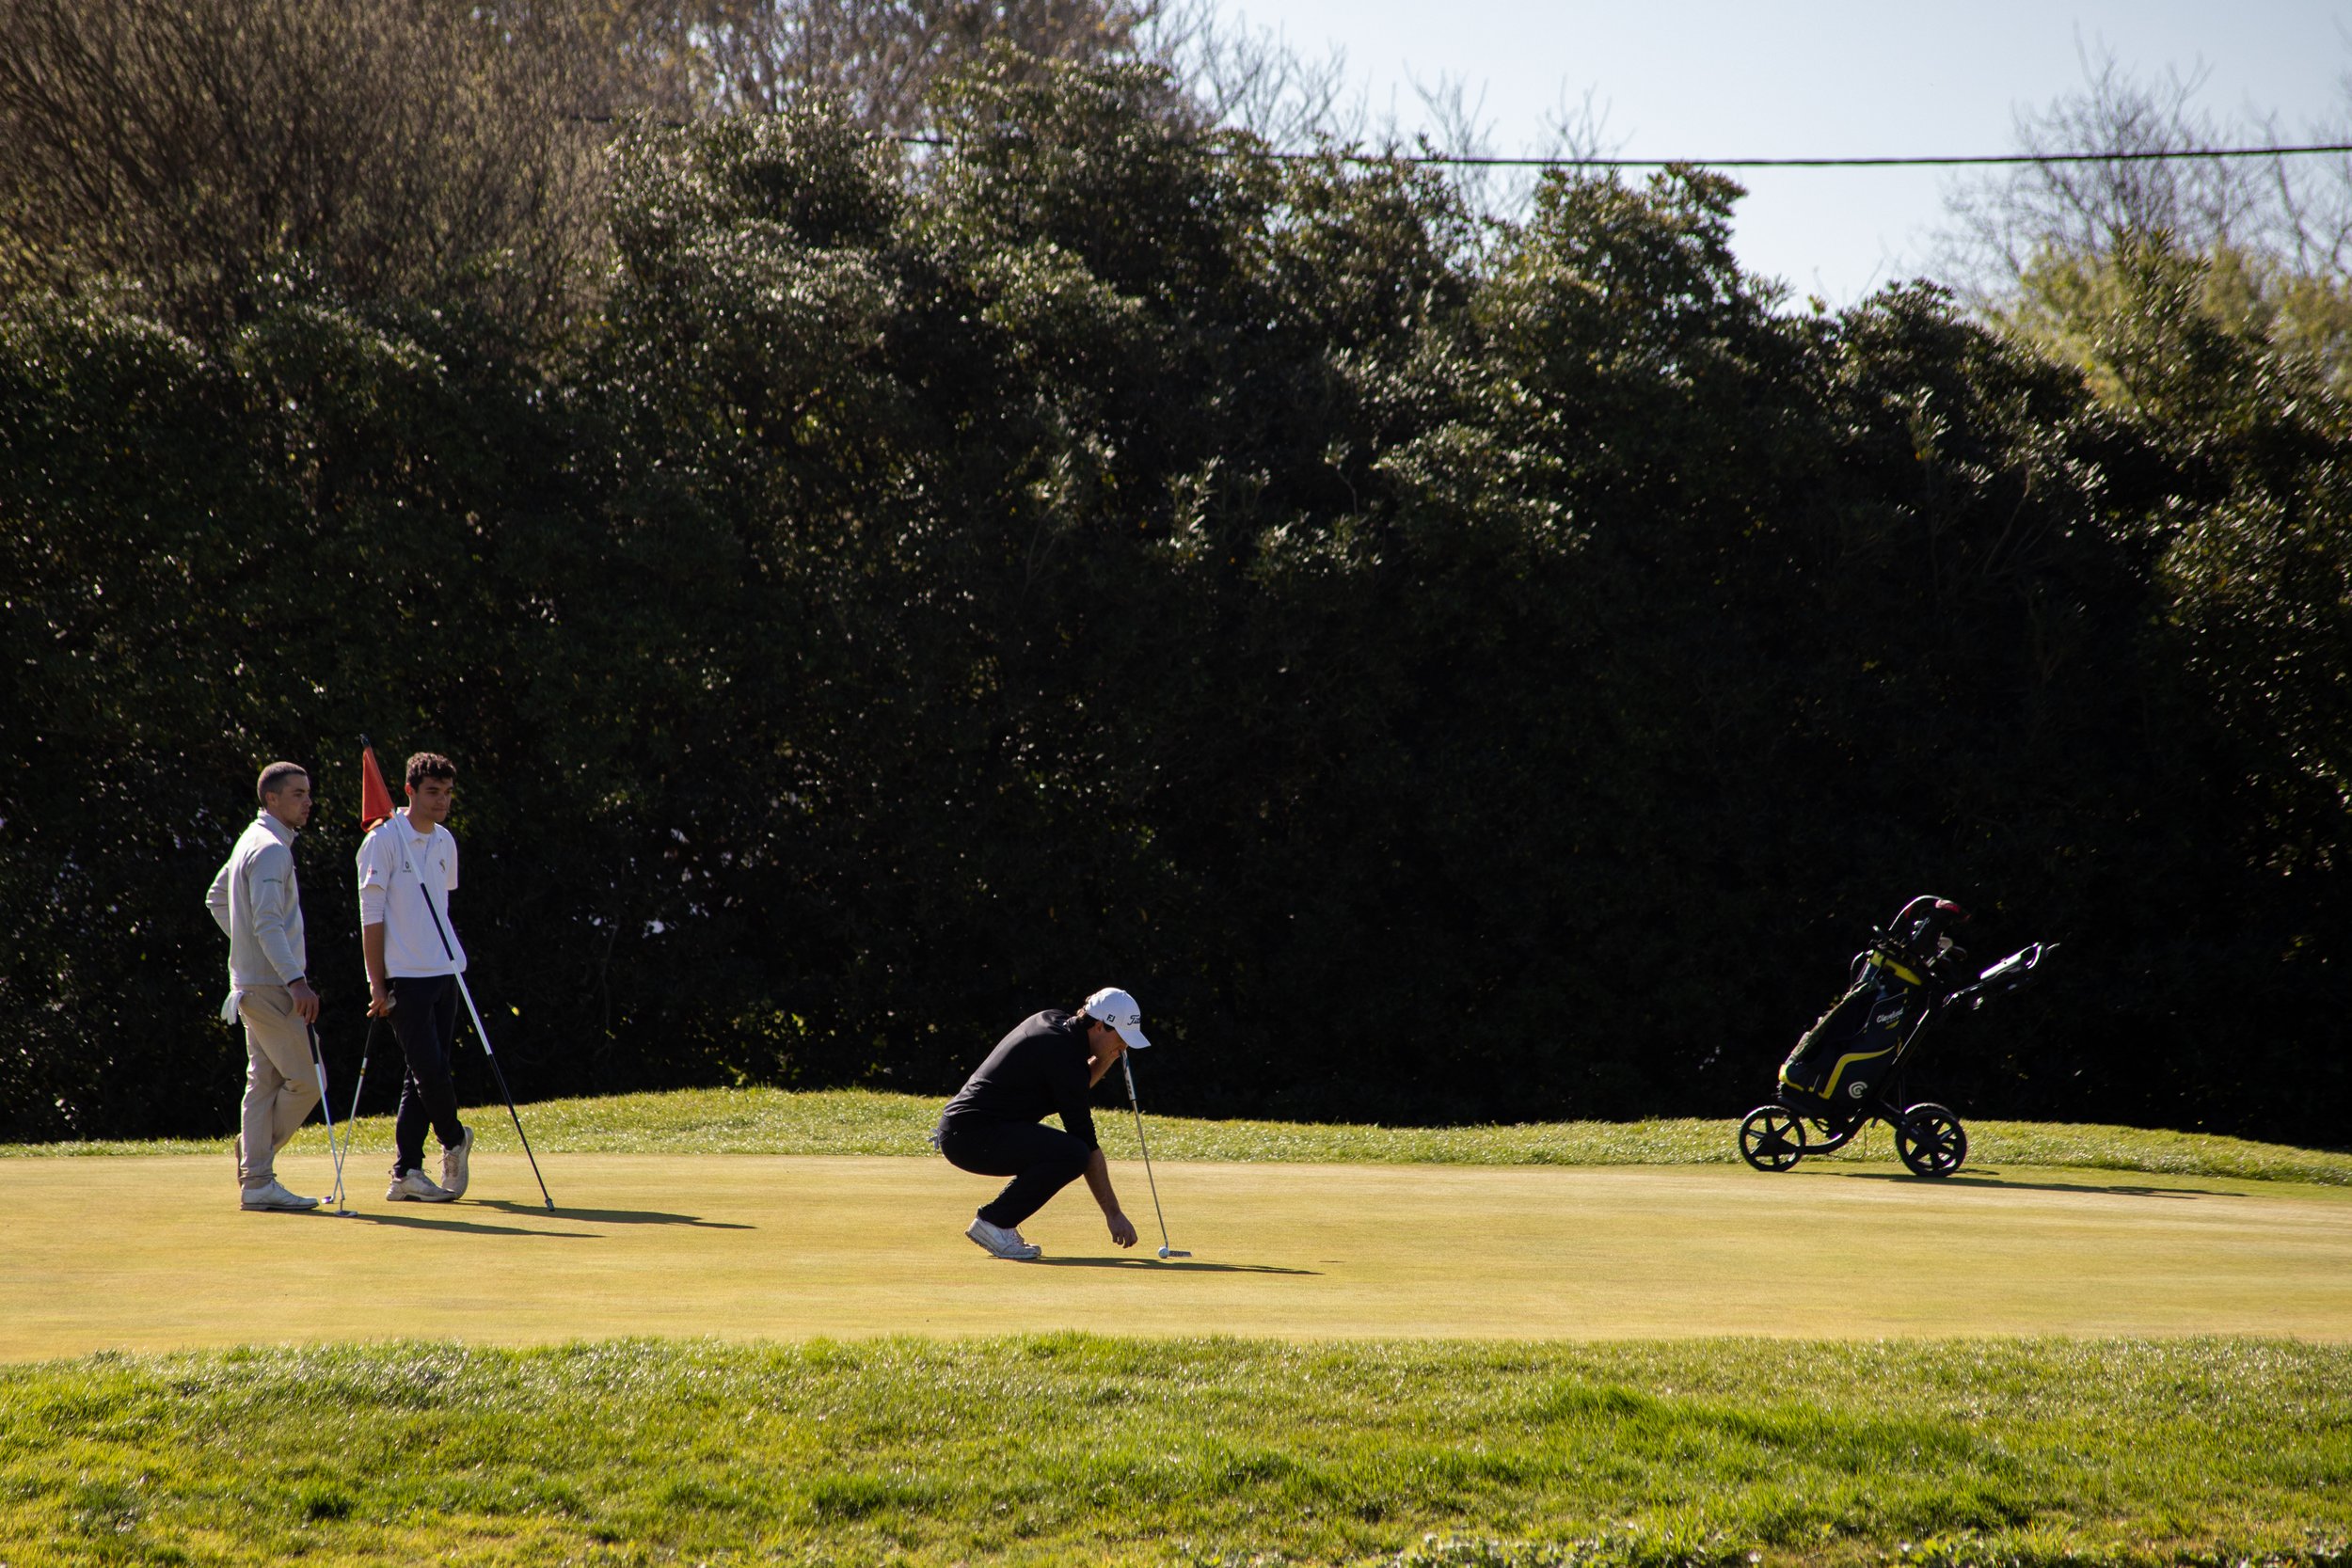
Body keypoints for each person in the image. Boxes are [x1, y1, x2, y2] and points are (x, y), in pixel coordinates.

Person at [935, 987, 1147, 1259]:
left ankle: (996, 1222)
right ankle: (995, 1223)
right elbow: (1087, 1142)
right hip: (971, 1137)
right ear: (1099, 1026)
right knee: (1073, 1153)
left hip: (971, 1130)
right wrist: (1114, 1214)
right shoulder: (1064, 1056)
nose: (1126, 1046)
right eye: (1121, 1037)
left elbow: (1073, 1089)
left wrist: (1105, 1058)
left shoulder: (1054, 1022)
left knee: (1069, 1151)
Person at [205, 762, 326, 1212]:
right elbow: (268, 922)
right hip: (273, 985)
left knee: (264, 1082)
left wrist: (250, 949)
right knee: (310, 1080)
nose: (307, 801)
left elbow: (217, 898)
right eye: (297, 794)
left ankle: (256, 1175)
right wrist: (295, 980)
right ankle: (255, 1166)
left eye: (307, 793)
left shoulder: (249, 841)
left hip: (251, 983)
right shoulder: (272, 848)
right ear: (271, 799)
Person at [357, 752, 475, 1203]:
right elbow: (371, 916)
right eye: (432, 792)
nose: (441, 801)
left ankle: (406, 1170)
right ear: (409, 791)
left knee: (419, 1075)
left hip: (446, 972)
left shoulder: (444, 841)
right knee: (430, 1071)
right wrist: (377, 983)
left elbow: (441, 906)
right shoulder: (383, 840)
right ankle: (454, 1137)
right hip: (403, 978)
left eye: (447, 793)